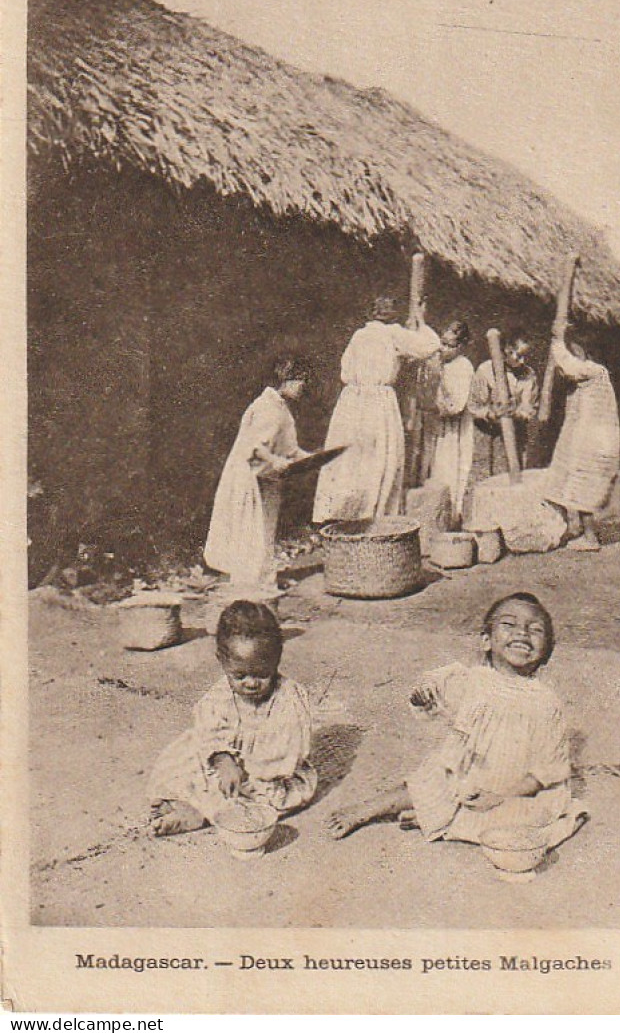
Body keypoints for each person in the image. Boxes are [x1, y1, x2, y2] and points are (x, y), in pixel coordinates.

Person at [326, 592, 586, 863]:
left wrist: (500, 797)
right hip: (466, 774)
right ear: (486, 640)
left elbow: (547, 768)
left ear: (546, 650)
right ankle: (369, 809)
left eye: (535, 629)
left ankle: (441, 819)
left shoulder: (546, 702)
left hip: (516, 786)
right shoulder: (471, 680)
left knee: (534, 819)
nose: (522, 632)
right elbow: (437, 691)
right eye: (509, 625)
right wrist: (426, 696)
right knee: (431, 782)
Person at [149, 600, 317, 837]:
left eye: (261, 674)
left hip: (269, 770)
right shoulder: (220, 694)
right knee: (185, 761)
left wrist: (251, 769)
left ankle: (200, 814)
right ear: (222, 661)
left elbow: (288, 750)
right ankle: (192, 803)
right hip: (226, 763)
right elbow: (209, 730)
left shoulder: (289, 698)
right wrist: (222, 757)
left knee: (265, 797)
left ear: (276, 661)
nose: (250, 683)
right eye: (239, 675)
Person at [313, 295, 439, 524]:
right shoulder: (393, 334)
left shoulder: (359, 335)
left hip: (352, 400)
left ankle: (345, 514)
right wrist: (421, 321)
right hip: (378, 402)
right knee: (380, 456)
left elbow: (345, 371)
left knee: (352, 458)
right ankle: (372, 515)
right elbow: (430, 346)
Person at [204, 356, 310, 595]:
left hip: (265, 478)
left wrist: (313, 458)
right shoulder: (268, 408)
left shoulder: (280, 408)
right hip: (249, 476)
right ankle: (249, 585)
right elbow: (256, 447)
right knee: (251, 530)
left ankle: (262, 581)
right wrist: (275, 461)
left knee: (265, 530)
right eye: (300, 380)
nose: (303, 386)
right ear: (286, 380)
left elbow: (290, 449)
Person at [544, 323, 620, 551]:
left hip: (594, 441)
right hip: (586, 437)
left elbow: (569, 366)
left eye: (576, 351)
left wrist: (557, 342)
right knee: (571, 479)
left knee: (584, 484)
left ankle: (590, 537)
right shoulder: (590, 375)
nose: (574, 355)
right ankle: (573, 527)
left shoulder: (594, 371)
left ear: (588, 353)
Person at [462, 327, 538, 520]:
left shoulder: (528, 375)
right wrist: (490, 413)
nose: (522, 361)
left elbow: (529, 408)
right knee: (484, 477)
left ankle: (509, 522)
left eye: (525, 356)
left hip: (515, 434)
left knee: (512, 476)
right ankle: (478, 522)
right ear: (505, 350)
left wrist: (517, 413)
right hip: (487, 434)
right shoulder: (486, 371)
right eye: (518, 356)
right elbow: (473, 406)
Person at [422, 321, 475, 525]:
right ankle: (436, 517)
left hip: (455, 429)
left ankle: (452, 516)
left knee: (452, 469)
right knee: (435, 468)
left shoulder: (463, 366)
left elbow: (455, 406)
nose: (443, 349)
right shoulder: (439, 363)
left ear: (461, 347)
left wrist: (439, 379)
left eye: (450, 345)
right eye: (442, 343)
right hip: (438, 426)